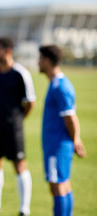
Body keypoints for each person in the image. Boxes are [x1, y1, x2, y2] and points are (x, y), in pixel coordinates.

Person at [0, 37, 35, 216]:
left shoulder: (20, 73)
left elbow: (30, 102)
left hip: (14, 127)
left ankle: (24, 209)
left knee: (19, 164)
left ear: (7, 51)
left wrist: (18, 119)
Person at [38, 45, 86, 216]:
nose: (38, 63)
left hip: (57, 146)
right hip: (58, 145)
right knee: (63, 184)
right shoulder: (58, 83)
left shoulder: (59, 86)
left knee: (57, 186)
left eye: (40, 59)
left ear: (47, 61)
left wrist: (76, 139)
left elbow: (70, 118)